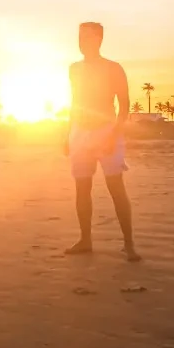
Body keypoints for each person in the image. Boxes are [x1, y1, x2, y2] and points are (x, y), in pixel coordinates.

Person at [64, 21, 141, 262]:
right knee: (82, 188)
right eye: (79, 36)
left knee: (116, 187)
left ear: (98, 40)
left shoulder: (113, 68)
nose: (81, 41)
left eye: (86, 37)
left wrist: (114, 134)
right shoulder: (74, 69)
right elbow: (75, 102)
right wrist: (68, 134)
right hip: (79, 132)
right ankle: (85, 240)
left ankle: (129, 245)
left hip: (106, 131)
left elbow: (125, 104)